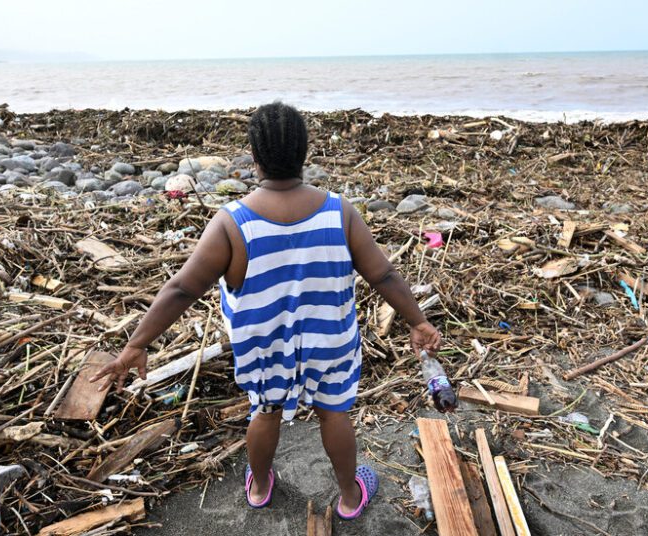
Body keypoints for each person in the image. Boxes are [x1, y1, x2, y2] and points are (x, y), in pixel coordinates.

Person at [91, 102, 441, 519]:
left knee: (266, 409)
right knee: (334, 412)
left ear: (254, 158)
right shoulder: (339, 212)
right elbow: (382, 275)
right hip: (329, 340)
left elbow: (183, 288)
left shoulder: (232, 223)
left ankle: (259, 485)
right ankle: (349, 495)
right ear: (304, 154)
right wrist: (417, 321)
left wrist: (136, 344)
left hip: (265, 345)